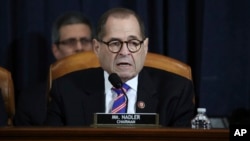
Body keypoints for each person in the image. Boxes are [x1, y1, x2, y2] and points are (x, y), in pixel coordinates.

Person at [45, 8, 195, 127]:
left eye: (133, 43)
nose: (124, 52)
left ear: (145, 47)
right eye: (115, 43)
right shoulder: (65, 90)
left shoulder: (176, 91)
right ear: (97, 48)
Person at [14, 11, 94, 126]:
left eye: (85, 41)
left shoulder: (114, 91)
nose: (79, 48)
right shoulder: (31, 100)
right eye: (70, 42)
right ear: (55, 50)